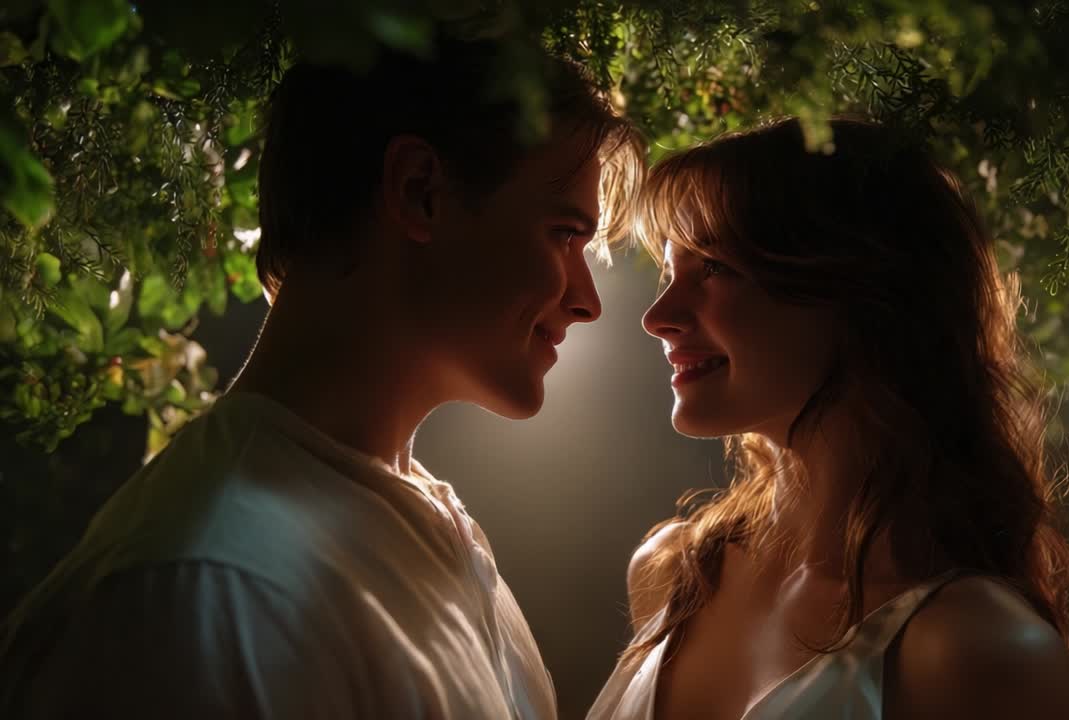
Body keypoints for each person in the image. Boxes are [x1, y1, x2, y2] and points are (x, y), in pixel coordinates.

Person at [0, 36, 644, 719]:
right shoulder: (212, 593)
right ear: (419, 192)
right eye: (563, 234)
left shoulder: (424, 524)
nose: (587, 301)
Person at [589, 118, 1069, 720]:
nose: (658, 316)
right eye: (670, 273)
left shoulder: (971, 648)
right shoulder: (671, 576)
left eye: (714, 268)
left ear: (856, 294)